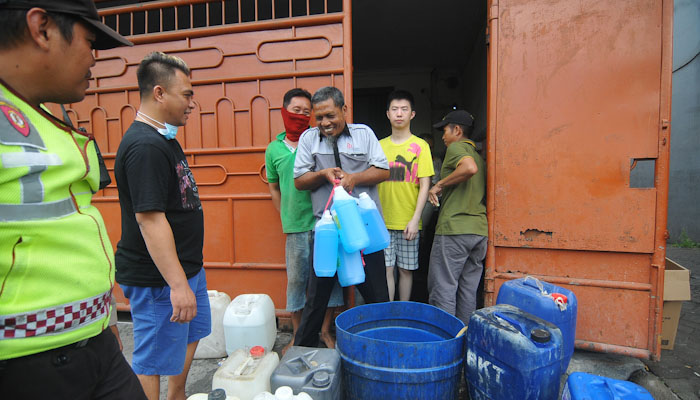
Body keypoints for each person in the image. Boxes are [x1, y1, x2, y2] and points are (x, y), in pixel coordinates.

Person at [0, 1, 147, 399]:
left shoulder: (43, 112)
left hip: (95, 342)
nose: (94, 59)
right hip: (27, 365)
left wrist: (108, 320)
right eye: (89, 42)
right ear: (42, 28)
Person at [114, 52, 211, 400]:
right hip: (158, 278)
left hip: (184, 269)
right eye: (186, 94)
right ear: (159, 93)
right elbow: (149, 219)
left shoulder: (163, 139)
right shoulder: (144, 146)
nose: (192, 103)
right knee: (153, 358)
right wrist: (177, 286)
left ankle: (177, 395)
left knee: (195, 330)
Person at [293, 86, 390, 347]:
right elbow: (300, 181)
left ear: (344, 110)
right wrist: (322, 174)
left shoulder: (364, 134)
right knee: (316, 300)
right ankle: (302, 351)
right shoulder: (308, 140)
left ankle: (385, 345)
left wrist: (354, 177)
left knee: (378, 296)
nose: (325, 123)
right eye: (319, 117)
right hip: (327, 232)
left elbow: (383, 170)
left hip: (364, 232)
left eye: (330, 116)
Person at [265, 88, 344, 351]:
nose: (301, 116)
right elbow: (274, 188)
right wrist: (284, 215)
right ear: (284, 112)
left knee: (328, 278)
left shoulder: (318, 140)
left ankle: (324, 331)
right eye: (295, 111)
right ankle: (299, 335)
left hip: (326, 222)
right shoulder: (274, 149)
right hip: (296, 225)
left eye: (306, 112)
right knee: (298, 281)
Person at [427, 110, 488, 324]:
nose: (443, 136)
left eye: (444, 130)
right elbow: (471, 169)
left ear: (457, 130)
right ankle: (464, 342)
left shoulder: (456, 148)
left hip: (454, 230)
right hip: (478, 232)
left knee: (443, 287)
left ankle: (445, 344)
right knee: (467, 291)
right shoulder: (480, 157)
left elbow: (467, 168)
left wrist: (438, 185)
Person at [377, 90, 434, 301]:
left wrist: (415, 219)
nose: (399, 114)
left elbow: (425, 184)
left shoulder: (421, 146)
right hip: (382, 220)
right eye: (394, 109)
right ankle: (389, 312)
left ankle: (402, 311)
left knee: (406, 270)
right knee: (386, 270)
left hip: (408, 221)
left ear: (412, 114)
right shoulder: (379, 146)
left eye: (404, 109)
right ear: (388, 114)